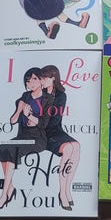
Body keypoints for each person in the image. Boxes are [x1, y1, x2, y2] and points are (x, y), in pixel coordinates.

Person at [0, 67, 54, 211]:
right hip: (23, 136)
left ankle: (4, 195)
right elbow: (12, 121)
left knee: (12, 150)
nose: (31, 83)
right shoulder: (25, 96)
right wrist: (20, 110)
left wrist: (29, 115)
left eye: (34, 79)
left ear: (41, 80)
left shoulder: (48, 99)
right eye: (28, 80)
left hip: (37, 139)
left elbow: (44, 124)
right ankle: (10, 188)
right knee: (2, 148)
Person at [40, 65, 81, 211]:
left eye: (44, 78)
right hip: (42, 132)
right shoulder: (38, 93)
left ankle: (66, 189)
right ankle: (62, 193)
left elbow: (56, 120)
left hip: (56, 130)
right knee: (68, 148)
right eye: (41, 78)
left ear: (53, 78)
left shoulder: (61, 96)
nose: (41, 81)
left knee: (77, 146)